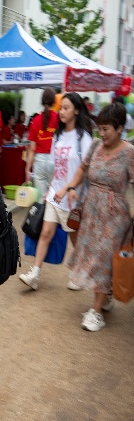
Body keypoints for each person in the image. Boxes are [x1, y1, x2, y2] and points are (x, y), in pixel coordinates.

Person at [65, 103, 134, 331]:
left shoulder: (129, 152)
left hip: (115, 215)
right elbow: (82, 169)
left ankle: (96, 312)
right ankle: (106, 296)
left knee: (103, 259)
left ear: (120, 128)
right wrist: (72, 187)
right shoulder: (95, 145)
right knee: (91, 255)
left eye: (106, 129)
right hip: (92, 210)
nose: (101, 134)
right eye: (100, 129)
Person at [19, 92, 93, 291]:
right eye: (61, 108)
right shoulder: (58, 135)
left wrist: (70, 189)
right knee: (45, 233)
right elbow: (56, 168)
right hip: (55, 195)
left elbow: (85, 169)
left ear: (76, 110)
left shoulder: (83, 138)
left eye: (66, 108)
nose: (62, 112)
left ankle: (81, 274)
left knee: (75, 239)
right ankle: (35, 274)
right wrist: (50, 189)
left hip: (73, 199)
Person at [25, 87, 58, 199]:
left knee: (40, 197)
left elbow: (32, 148)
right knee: (53, 195)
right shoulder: (58, 119)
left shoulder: (35, 120)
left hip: (39, 161)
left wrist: (27, 168)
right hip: (54, 160)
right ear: (54, 101)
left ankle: (41, 211)